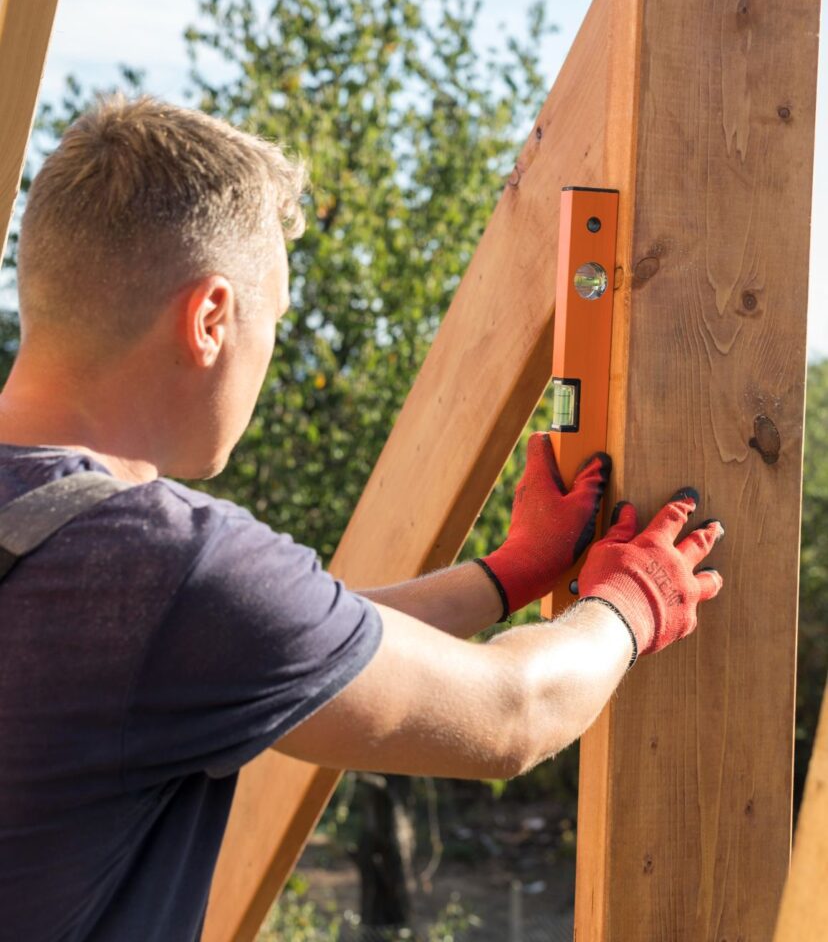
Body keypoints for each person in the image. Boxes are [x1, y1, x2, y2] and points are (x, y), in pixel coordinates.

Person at [0, 96, 724, 941]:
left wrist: (509, 574)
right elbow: (511, 715)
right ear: (209, 319)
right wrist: (631, 603)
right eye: (271, 320)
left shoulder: (150, 590)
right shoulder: (172, 570)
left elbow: (288, 639)